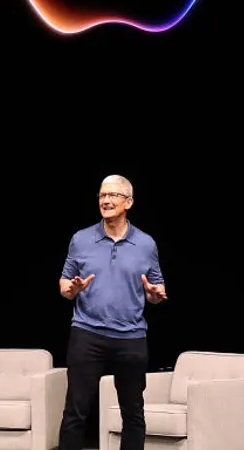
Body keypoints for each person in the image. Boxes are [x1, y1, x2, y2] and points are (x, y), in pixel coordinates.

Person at [57, 174, 168, 450]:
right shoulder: (81, 239)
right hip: (87, 334)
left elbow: (156, 285)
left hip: (130, 337)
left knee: (133, 413)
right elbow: (65, 282)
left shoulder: (146, 244)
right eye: (102, 195)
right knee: (75, 412)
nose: (105, 200)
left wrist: (154, 296)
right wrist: (70, 289)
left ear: (128, 202)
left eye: (113, 195)